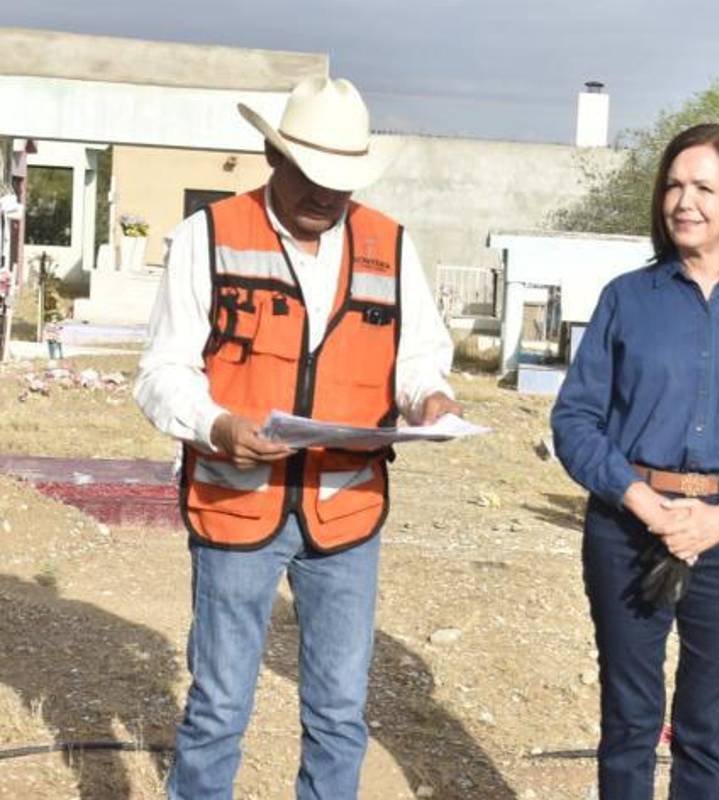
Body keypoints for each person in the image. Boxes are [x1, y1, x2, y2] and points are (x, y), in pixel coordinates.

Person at [134, 75, 460, 799]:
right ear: (271, 155)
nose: (326, 196)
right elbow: (161, 373)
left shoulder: (392, 246)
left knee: (340, 714)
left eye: (342, 183)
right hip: (236, 504)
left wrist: (430, 397)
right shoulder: (209, 237)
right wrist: (217, 425)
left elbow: (418, 357)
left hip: (345, 513)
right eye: (312, 177)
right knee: (218, 709)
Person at [550, 123, 719, 799]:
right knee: (630, 723)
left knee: (706, 734)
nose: (684, 201)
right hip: (628, 529)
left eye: (704, 187)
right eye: (673, 184)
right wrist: (640, 500)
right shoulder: (627, 299)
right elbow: (575, 420)